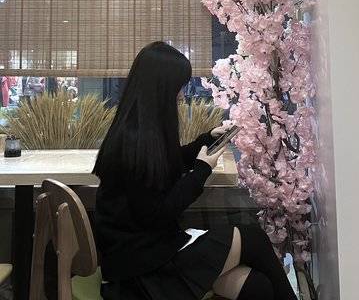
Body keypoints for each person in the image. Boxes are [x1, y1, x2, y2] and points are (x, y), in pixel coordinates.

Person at [93, 42, 297, 300]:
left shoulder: (137, 132)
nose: (181, 95)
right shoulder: (134, 142)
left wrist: (206, 139)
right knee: (253, 239)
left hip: (144, 253)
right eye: (179, 87)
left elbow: (163, 166)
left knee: (256, 286)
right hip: (139, 271)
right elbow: (159, 213)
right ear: (162, 89)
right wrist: (201, 171)